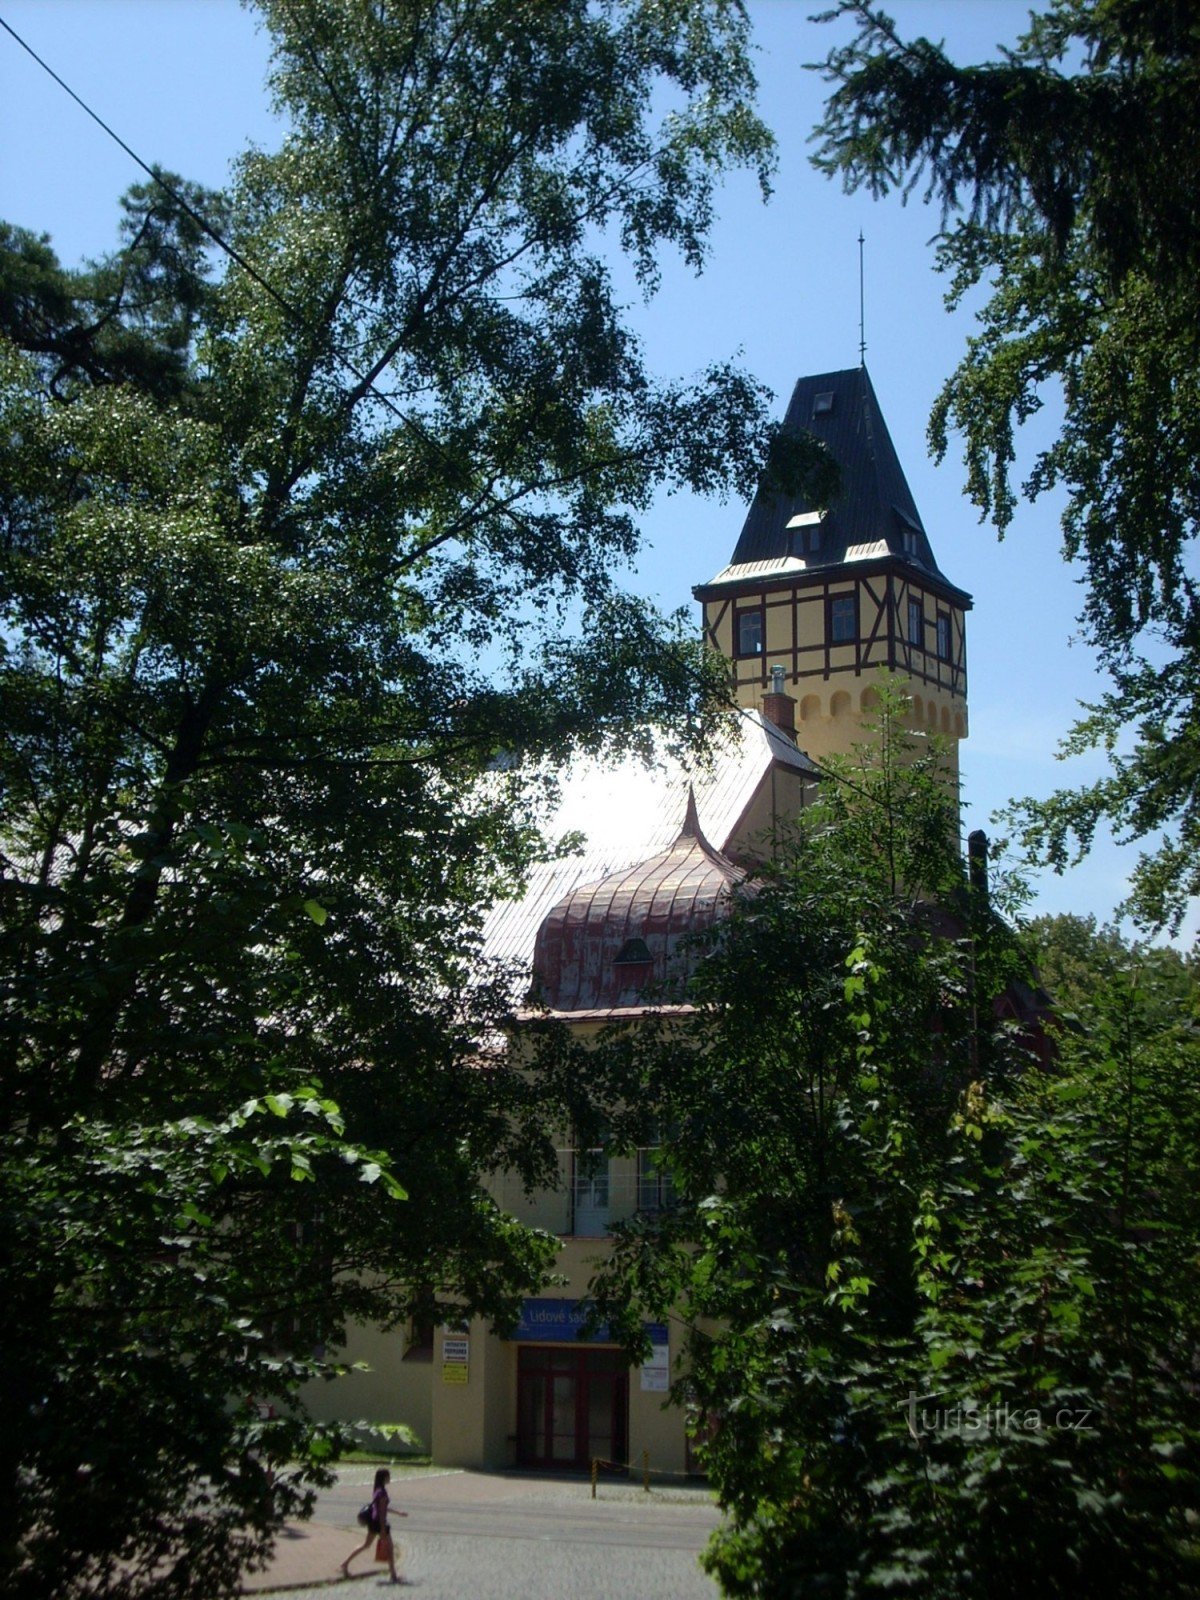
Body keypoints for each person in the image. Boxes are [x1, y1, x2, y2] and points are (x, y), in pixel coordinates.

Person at [341, 1467, 408, 1584]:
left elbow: (381, 1508)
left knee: (366, 1545)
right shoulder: (382, 1492)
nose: (390, 1478)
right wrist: (382, 1529)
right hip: (379, 1523)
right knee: (389, 1548)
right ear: (384, 1477)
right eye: (388, 1476)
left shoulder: (377, 1490)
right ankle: (393, 1575)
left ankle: (345, 1563)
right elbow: (382, 1512)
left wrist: (398, 1513)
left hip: (373, 1522)